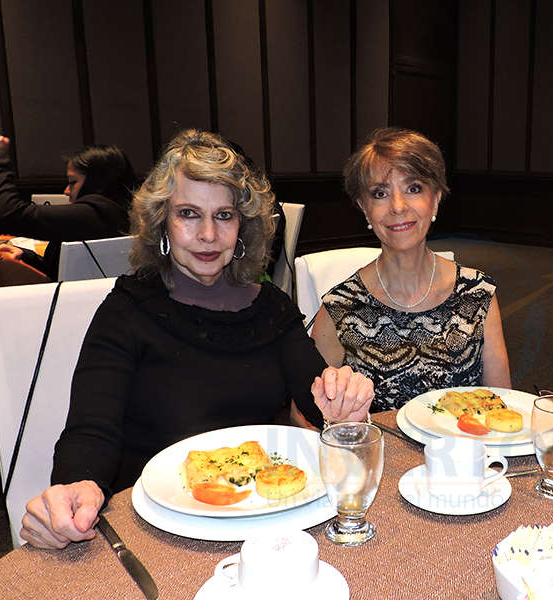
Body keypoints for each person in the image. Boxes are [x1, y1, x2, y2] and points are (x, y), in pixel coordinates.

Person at [20, 129, 374, 549]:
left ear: (242, 226)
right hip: (157, 532)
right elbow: (91, 430)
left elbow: (320, 402)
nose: (208, 234)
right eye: (188, 214)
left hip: (268, 525)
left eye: (223, 215)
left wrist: (343, 403)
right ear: (162, 222)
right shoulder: (126, 311)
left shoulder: (271, 308)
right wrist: (78, 485)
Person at [311, 127, 511, 411]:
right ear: (364, 208)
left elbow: (503, 407)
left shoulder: (478, 294)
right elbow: (304, 413)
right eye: (380, 193)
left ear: (436, 199)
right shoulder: (340, 307)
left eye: (413, 188)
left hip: (465, 440)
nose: (398, 206)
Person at [0, 130, 136, 279]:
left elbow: (9, 214)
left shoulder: (99, 214)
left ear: (97, 183)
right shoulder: (108, 214)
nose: (66, 191)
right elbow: (68, 270)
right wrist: (25, 256)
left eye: (73, 182)